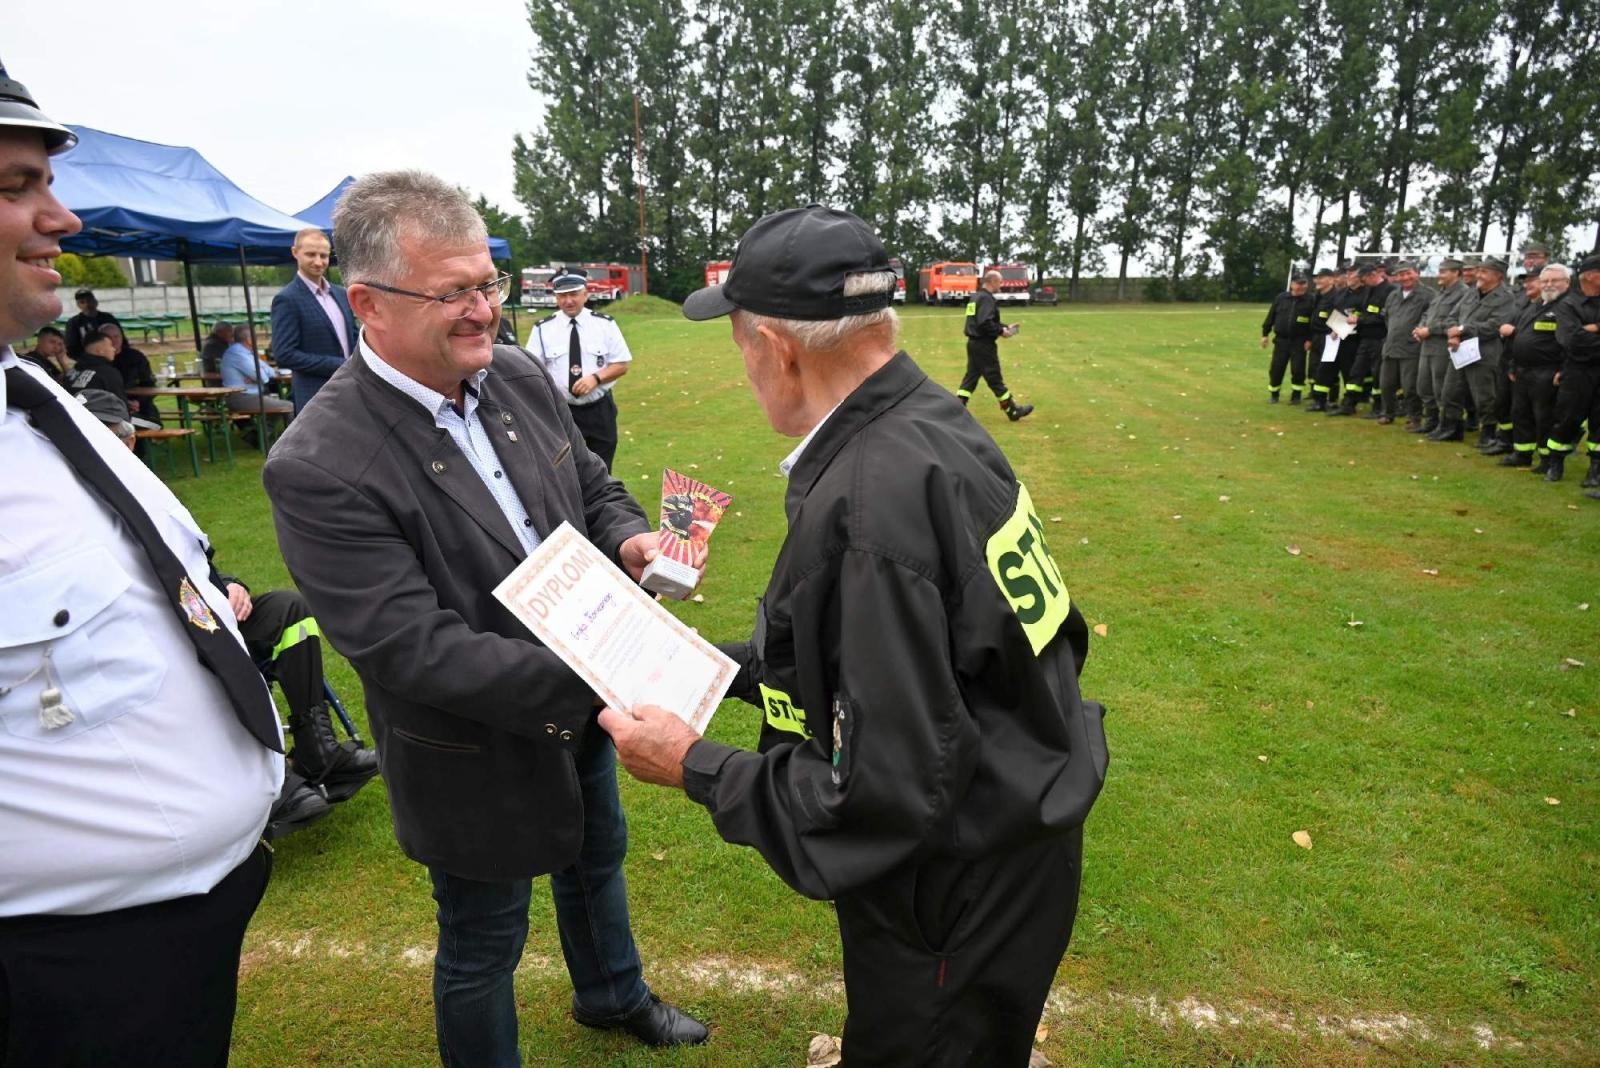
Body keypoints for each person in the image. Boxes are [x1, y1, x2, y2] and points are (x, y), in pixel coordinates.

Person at [604, 205, 1109, 1066]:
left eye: (738, 346)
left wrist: (692, 764)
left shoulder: (873, 501)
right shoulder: (931, 425)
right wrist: (712, 665)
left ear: (776, 347)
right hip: (1012, 825)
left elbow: (884, 795)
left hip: (957, 881)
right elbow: (913, 655)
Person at [261, 170, 708, 1063]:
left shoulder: (510, 372)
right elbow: (411, 649)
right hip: (468, 742)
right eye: (453, 292)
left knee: (596, 858)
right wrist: (606, 673)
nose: (482, 313)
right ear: (369, 304)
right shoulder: (317, 462)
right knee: (482, 939)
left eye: (489, 286)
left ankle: (611, 993)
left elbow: (588, 480)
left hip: (581, 700)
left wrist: (629, 544)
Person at [0, 60, 281, 1066]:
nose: (62, 219)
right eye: (12, 188)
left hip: (170, 938)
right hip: (62, 978)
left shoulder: (34, 401)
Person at [529, 271, 633, 470]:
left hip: (599, 410)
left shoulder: (604, 324)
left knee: (603, 469)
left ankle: (600, 502)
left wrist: (596, 378)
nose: (568, 301)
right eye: (562, 296)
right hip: (562, 412)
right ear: (556, 297)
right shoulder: (543, 329)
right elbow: (533, 370)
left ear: (585, 294)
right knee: (565, 469)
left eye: (574, 294)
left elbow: (621, 364)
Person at [269, 226, 356, 412]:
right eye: (311, 254)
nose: (318, 262)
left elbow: (354, 338)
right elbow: (284, 354)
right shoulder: (287, 299)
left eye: (323, 256)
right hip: (315, 395)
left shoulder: (341, 295)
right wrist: (339, 365)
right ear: (295, 253)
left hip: (352, 389)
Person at [1432, 256, 1516, 443]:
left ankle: (1488, 433)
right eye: (1479, 270)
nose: (1479, 274)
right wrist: (1453, 334)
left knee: (1484, 395)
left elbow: (1495, 325)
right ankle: (1451, 428)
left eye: (1484, 272)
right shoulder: (1471, 293)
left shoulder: (1506, 298)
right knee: (1450, 391)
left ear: (1498, 276)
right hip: (1460, 349)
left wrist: (1462, 330)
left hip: (1484, 352)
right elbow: (1453, 315)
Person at [1502, 264, 1569, 471]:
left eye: (1554, 280)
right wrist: (1513, 364)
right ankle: (1522, 453)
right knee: (1520, 413)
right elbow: (1520, 337)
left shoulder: (1568, 308)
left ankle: (1547, 459)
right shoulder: (1534, 306)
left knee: (1544, 417)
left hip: (1547, 371)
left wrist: (1563, 370)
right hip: (1523, 370)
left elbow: (1571, 343)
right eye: (1545, 281)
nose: (1549, 285)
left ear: (1566, 283)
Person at [1546, 252, 1600, 486]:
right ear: (1589, 276)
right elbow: (1572, 341)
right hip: (1576, 372)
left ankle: (1595, 469)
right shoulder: (1568, 304)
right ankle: (1555, 461)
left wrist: (1593, 328)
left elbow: (1582, 340)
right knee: (1567, 418)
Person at [957, 268, 1032, 421]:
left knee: (970, 379)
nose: (1001, 284)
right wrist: (1000, 331)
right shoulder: (986, 299)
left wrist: (1004, 327)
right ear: (992, 281)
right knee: (994, 379)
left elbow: (982, 321)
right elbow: (985, 323)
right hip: (984, 345)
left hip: (973, 344)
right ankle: (1012, 410)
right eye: (1000, 281)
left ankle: (955, 410)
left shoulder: (976, 297)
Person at [1412, 257, 1469, 434]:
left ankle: (1446, 425)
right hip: (1427, 346)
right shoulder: (1441, 292)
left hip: (1444, 347)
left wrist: (1430, 330)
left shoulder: (1464, 293)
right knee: (1424, 386)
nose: (1440, 275)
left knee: (1442, 389)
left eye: (1444, 271)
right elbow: (1428, 313)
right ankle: (1431, 421)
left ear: (1456, 273)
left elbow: (1457, 320)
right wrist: (1420, 327)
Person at [1376, 261, 1435, 427]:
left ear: (1417, 273)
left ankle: (1414, 417)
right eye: (1400, 274)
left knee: (1410, 386)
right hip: (1391, 346)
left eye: (1408, 273)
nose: (1405, 277)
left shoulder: (1428, 294)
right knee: (1386, 384)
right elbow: (1387, 318)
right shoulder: (1393, 295)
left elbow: (1429, 318)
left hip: (1412, 348)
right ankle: (1387, 413)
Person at [1259, 271, 1313, 404]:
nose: (1302, 287)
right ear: (1292, 284)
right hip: (1281, 340)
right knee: (1277, 368)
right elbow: (1271, 316)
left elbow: (1314, 323)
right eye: (1299, 284)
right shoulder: (1281, 298)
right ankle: (1274, 393)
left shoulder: (1311, 300)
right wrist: (1265, 334)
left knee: (1298, 369)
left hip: (1299, 341)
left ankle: (1296, 395)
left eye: (1304, 283)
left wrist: (1310, 339)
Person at [220, 322, 295, 416]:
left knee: (280, 404)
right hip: (242, 398)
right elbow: (262, 378)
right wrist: (259, 375)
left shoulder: (246, 352)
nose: (257, 340)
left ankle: (269, 430)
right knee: (290, 406)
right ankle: (296, 431)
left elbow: (270, 371)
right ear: (249, 340)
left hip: (252, 396)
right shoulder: (238, 354)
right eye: (255, 337)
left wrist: (257, 375)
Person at [103, 319, 163, 428]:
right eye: (109, 337)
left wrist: (138, 402)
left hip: (141, 408)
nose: (114, 340)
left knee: (150, 425)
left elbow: (149, 384)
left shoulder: (136, 357)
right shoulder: (98, 362)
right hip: (110, 412)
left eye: (117, 336)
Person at [62, 327, 125, 398]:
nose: (113, 349)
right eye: (110, 345)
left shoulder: (72, 372)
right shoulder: (107, 373)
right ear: (99, 350)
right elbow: (119, 403)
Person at [63, 285, 119, 360]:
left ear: (95, 302)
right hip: (88, 361)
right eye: (82, 302)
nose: (87, 305)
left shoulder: (108, 318)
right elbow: (71, 348)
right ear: (78, 305)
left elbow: (121, 339)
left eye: (89, 301)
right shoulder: (74, 323)